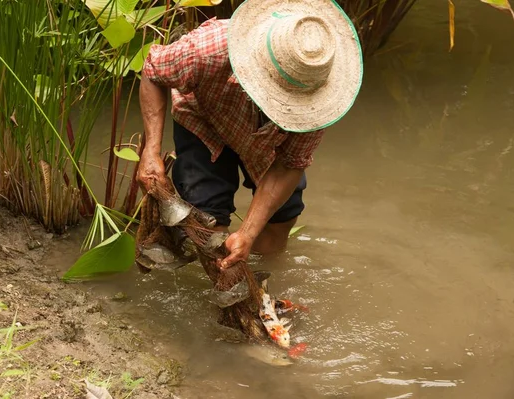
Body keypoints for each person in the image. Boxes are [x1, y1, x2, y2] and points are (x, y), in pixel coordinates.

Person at [137, 0, 363, 270]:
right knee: (208, 221)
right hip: (204, 120)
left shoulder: (318, 101)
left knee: (282, 218)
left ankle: (259, 280)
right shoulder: (209, 49)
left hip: (267, 139)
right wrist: (151, 150)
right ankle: (220, 278)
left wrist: (247, 234)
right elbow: (153, 72)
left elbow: (288, 165)